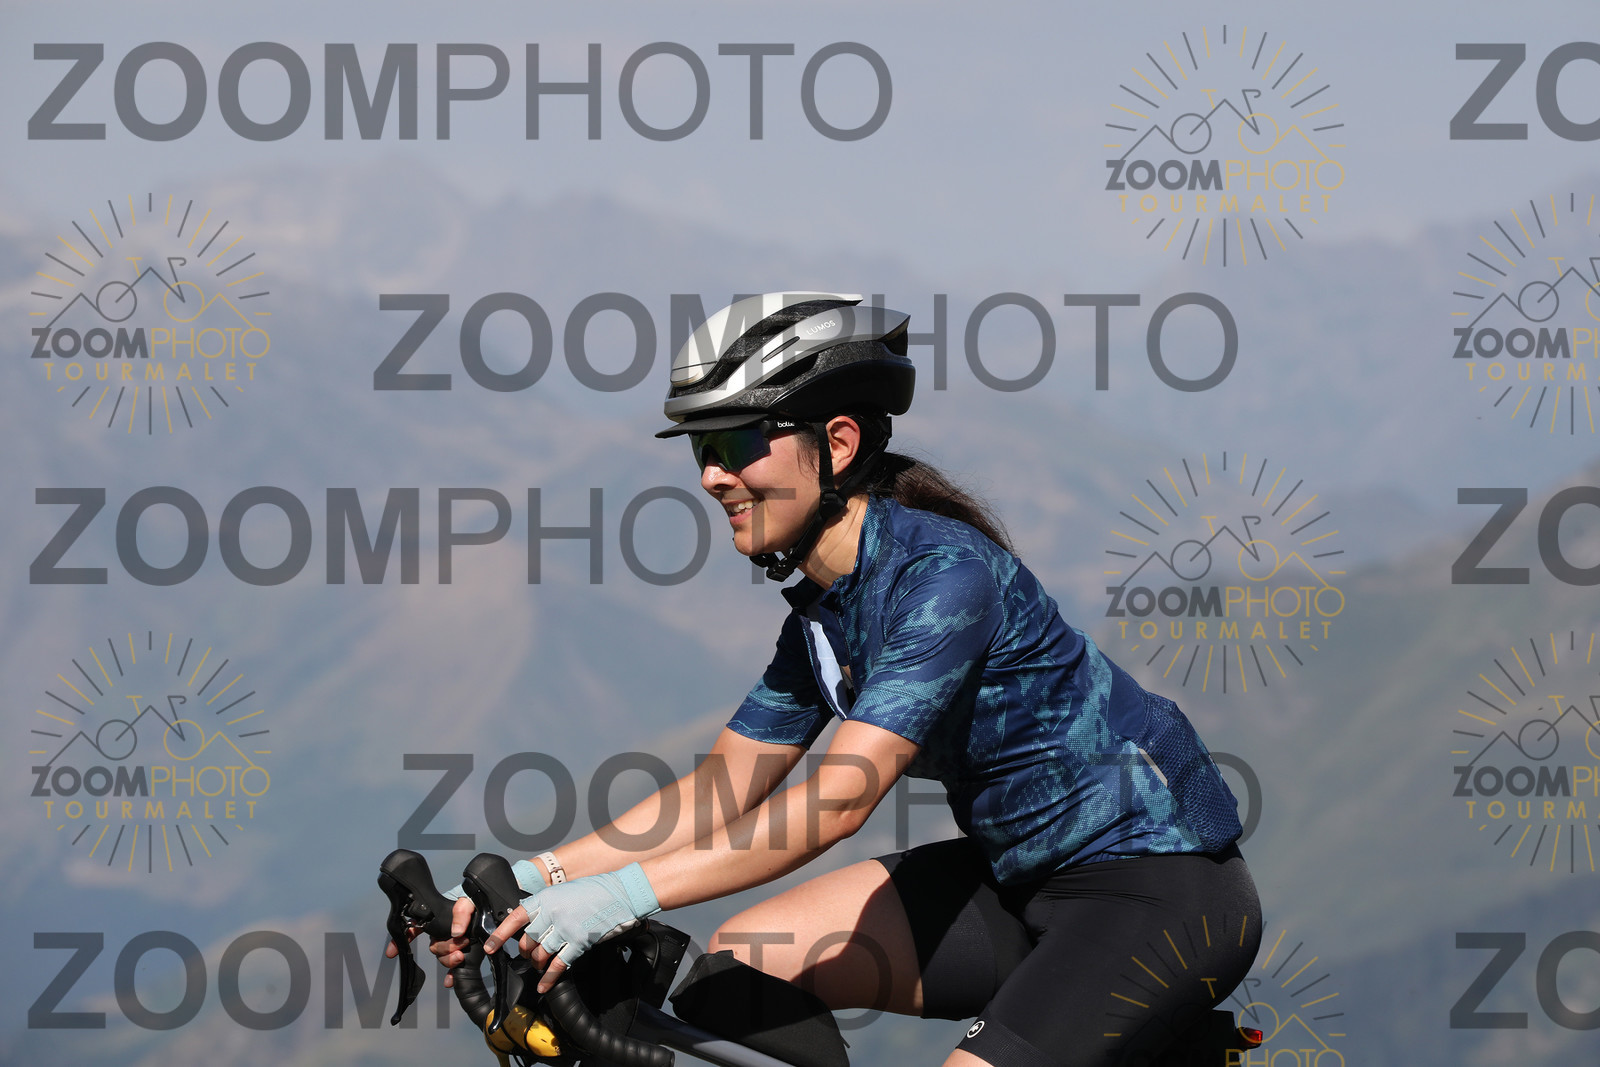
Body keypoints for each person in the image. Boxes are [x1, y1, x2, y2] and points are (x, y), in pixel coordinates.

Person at [420, 293, 1262, 1066]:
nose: (712, 476)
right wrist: (538, 880)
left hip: (1158, 890)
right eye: (703, 450)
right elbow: (719, 789)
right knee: (740, 970)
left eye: (738, 443)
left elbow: (839, 800)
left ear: (840, 443)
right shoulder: (823, 617)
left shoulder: (946, 578)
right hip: (1016, 881)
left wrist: (625, 895)